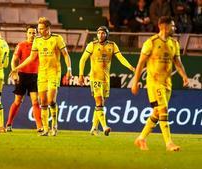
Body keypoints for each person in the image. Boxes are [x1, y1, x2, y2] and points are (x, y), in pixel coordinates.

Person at [131, 16, 189, 151]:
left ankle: (141, 138)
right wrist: (135, 82)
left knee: (157, 112)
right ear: (164, 26)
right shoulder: (150, 43)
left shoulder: (174, 43)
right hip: (154, 83)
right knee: (163, 110)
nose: (174, 28)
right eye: (172, 26)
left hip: (167, 83)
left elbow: (178, 63)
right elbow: (140, 64)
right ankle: (169, 143)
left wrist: (185, 77)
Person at [11, 17, 72, 136]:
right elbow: (31, 57)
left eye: (41, 29)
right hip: (42, 73)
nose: (39, 31)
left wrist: (69, 70)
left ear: (48, 28)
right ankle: (45, 129)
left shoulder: (57, 38)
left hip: (54, 72)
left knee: (51, 100)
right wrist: (16, 68)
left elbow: (65, 55)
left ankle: (54, 126)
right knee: (42, 101)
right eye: (38, 29)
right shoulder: (37, 40)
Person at [79, 26, 135, 136]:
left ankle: (94, 128)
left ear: (106, 34)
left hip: (106, 80)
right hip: (95, 78)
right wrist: (81, 74)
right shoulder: (92, 45)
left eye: (103, 33)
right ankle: (105, 127)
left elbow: (121, 58)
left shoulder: (112, 45)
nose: (100, 35)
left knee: (100, 104)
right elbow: (82, 59)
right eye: (99, 33)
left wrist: (132, 68)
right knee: (99, 102)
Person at [6, 25, 43, 133]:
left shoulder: (40, 45)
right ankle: (8, 124)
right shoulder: (21, 45)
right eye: (30, 32)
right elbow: (14, 60)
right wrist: (14, 72)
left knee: (35, 102)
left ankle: (39, 126)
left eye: (34, 33)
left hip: (35, 76)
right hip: (22, 75)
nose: (32, 35)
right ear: (26, 34)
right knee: (17, 101)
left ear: (37, 34)